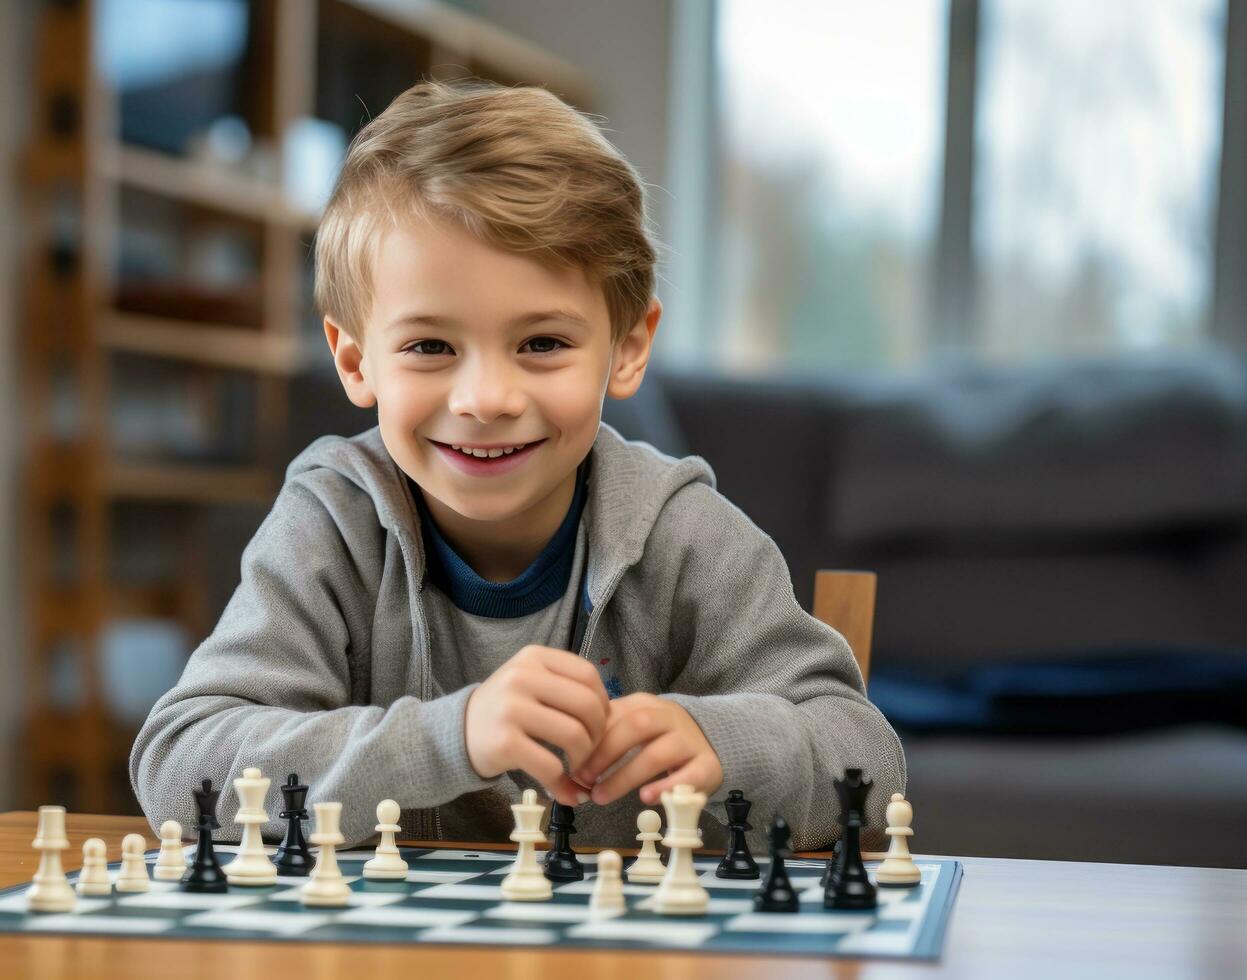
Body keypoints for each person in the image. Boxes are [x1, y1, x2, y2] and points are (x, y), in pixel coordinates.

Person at [131, 79, 904, 848]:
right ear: (357, 361)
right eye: (430, 346)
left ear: (627, 348)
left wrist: (723, 741)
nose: (487, 398)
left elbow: (864, 755)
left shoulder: (684, 535)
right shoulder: (331, 523)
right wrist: (450, 736)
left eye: (541, 344)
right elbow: (177, 767)